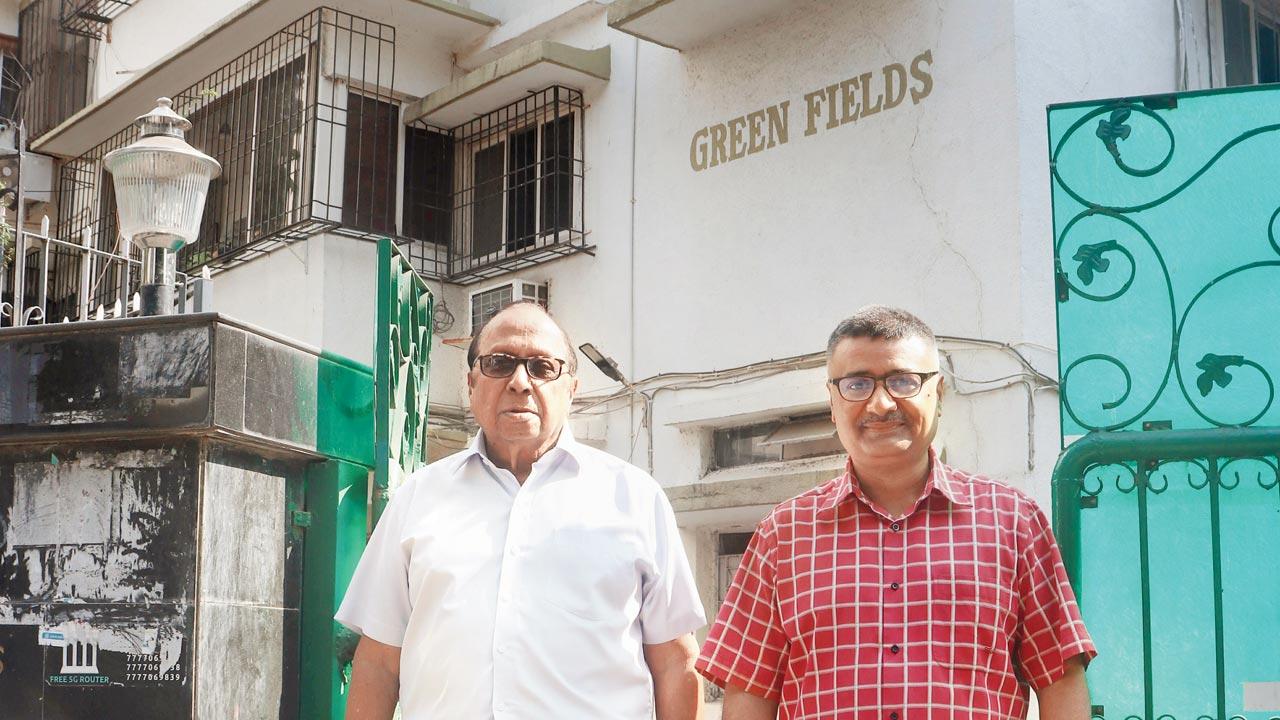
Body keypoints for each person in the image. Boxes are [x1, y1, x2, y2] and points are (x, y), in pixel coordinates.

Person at [696, 305, 1095, 720]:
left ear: (938, 394)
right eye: (857, 384)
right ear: (833, 401)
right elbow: (750, 691)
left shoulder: (1013, 521)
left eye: (903, 381)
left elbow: (1060, 677)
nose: (882, 404)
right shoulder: (783, 535)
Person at [337, 301, 706, 719]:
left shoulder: (635, 498)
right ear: (471, 382)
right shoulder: (418, 499)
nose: (519, 382)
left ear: (572, 388)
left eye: (543, 367)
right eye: (499, 363)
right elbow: (379, 664)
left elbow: (677, 663)